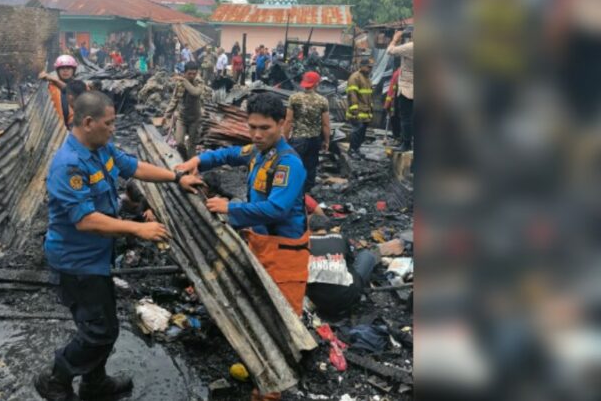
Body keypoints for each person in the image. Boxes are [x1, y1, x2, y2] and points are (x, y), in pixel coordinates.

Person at [34, 91, 203, 401]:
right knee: (100, 332)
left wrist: (177, 177)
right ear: (88, 122)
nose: (113, 128)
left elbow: (134, 167)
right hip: (76, 262)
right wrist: (139, 228)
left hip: (95, 258)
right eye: (109, 123)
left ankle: (94, 384)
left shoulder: (101, 149)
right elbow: (84, 220)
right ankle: (55, 379)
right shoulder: (69, 165)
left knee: (101, 324)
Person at [175, 93, 308, 401]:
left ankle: (271, 391)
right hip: (262, 244)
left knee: (282, 324)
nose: (257, 135)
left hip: (286, 253)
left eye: (265, 128)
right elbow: (230, 154)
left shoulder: (288, 163)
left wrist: (230, 208)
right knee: (261, 309)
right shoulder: (259, 152)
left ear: (281, 123)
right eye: (252, 128)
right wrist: (198, 159)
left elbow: (277, 209)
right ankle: (260, 373)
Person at [306, 215, 404, 318]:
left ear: (309, 229)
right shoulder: (340, 237)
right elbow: (350, 262)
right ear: (328, 228)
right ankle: (362, 291)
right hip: (348, 298)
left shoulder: (304, 243)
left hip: (318, 302)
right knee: (367, 256)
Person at [284, 71, 331, 193]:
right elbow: (325, 124)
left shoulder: (294, 98)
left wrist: (285, 137)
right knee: (311, 167)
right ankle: (307, 194)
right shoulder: (322, 101)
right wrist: (327, 141)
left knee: (294, 165)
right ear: (317, 84)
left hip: (298, 139)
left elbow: (288, 120)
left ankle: (293, 191)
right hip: (314, 140)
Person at [164, 61, 206, 159]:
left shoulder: (199, 82)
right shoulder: (180, 83)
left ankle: (190, 166)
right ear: (185, 73)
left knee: (192, 145)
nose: (192, 76)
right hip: (182, 118)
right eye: (189, 74)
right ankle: (185, 159)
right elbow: (174, 100)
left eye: (194, 73)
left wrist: (184, 80)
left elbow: (195, 92)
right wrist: (166, 115)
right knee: (179, 143)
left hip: (195, 119)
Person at [40, 55, 85, 129]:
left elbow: (68, 88)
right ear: (57, 71)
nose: (65, 71)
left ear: (73, 70)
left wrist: (53, 79)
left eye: (68, 68)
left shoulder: (80, 85)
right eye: (62, 68)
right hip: (55, 127)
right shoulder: (51, 87)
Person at [387, 28, 414, 151]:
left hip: (408, 88)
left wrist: (395, 39)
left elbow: (390, 51)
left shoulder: (410, 47)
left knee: (405, 117)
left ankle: (406, 144)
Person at [346, 59, 374, 159]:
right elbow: (352, 95)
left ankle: (356, 149)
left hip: (365, 112)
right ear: (361, 66)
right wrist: (354, 111)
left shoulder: (367, 78)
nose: (370, 69)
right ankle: (352, 150)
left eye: (371, 67)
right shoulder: (355, 78)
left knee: (362, 133)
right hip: (357, 112)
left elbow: (369, 96)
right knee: (357, 131)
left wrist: (370, 110)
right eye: (368, 67)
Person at [384, 67, 402, 143]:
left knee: (396, 120)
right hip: (395, 103)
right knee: (396, 119)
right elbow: (391, 90)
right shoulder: (398, 74)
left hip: (396, 103)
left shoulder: (397, 73)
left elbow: (391, 90)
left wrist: (387, 104)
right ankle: (399, 138)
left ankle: (398, 138)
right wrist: (387, 104)